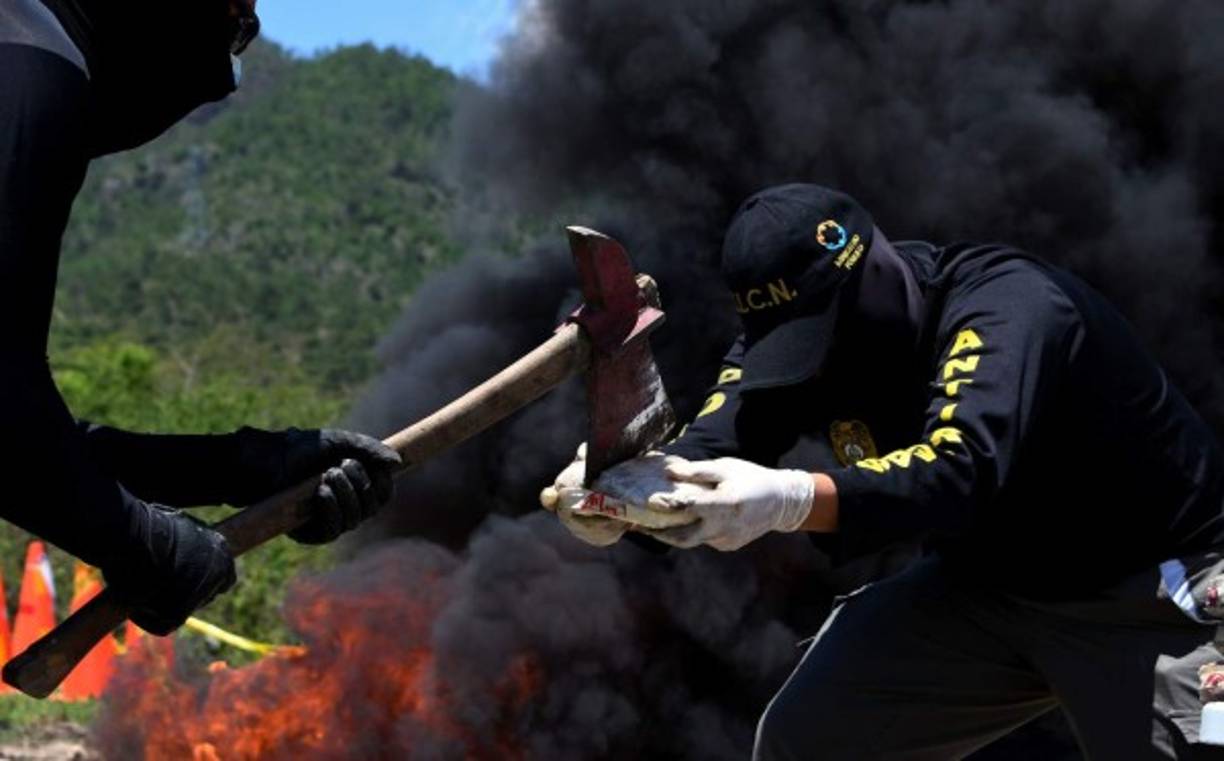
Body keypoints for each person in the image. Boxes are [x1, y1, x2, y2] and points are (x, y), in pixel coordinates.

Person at [544, 183, 1224, 758]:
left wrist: (787, 497)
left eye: (824, 330)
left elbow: (957, 470)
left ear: (874, 269)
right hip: (989, 592)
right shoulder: (789, 348)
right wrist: (620, 494)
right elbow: (710, 444)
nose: (816, 362)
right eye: (791, 342)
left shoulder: (1008, 308)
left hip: (1159, 592)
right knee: (807, 737)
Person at [0, 0, 401, 636]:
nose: (219, 77)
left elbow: (31, 437)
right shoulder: (28, 62)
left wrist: (246, 466)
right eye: (233, 24)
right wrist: (138, 541)